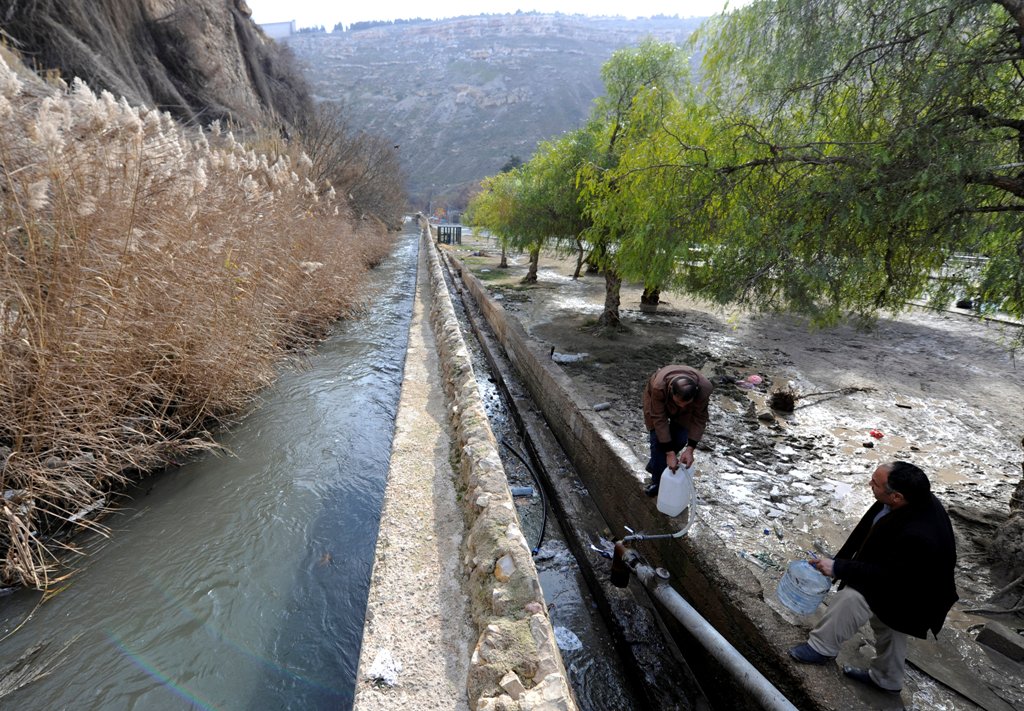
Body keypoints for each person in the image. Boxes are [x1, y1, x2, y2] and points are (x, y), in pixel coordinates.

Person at [788, 461, 958, 695]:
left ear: (896, 496)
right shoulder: (902, 501)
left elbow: (886, 576)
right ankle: (887, 679)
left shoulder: (919, 535)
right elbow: (865, 535)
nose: (870, 484)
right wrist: (838, 562)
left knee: (854, 598)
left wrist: (839, 568)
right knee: (891, 624)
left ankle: (821, 648)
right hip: (903, 578)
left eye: (875, 483)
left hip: (917, 590)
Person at [641, 364, 713, 497]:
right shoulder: (659, 387)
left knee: (680, 438)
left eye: (685, 403)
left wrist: (690, 448)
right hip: (655, 402)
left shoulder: (704, 390)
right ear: (671, 391)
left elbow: (699, 418)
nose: (681, 406)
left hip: (688, 407)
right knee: (657, 439)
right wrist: (669, 453)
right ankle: (657, 481)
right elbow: (659, 419)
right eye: (679, 403)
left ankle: (655, 464)